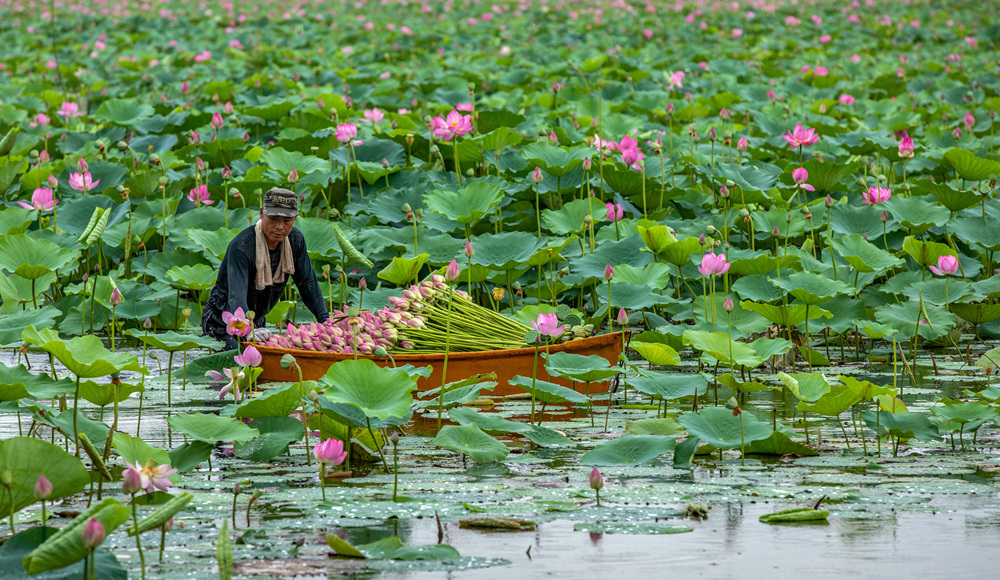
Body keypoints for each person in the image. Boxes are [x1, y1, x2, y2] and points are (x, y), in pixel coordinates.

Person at [202, 188, 329, 350]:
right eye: (274, 219)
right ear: (261, 214)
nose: (279, 227)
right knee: (235, 359)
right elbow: (236, 296)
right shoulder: (242, 247)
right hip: (221, 319)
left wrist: (325, 320)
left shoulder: (295, 240)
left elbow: (307, 283)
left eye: (286, 221)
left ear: (295, 219)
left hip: (257, 320)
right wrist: (249, 331)